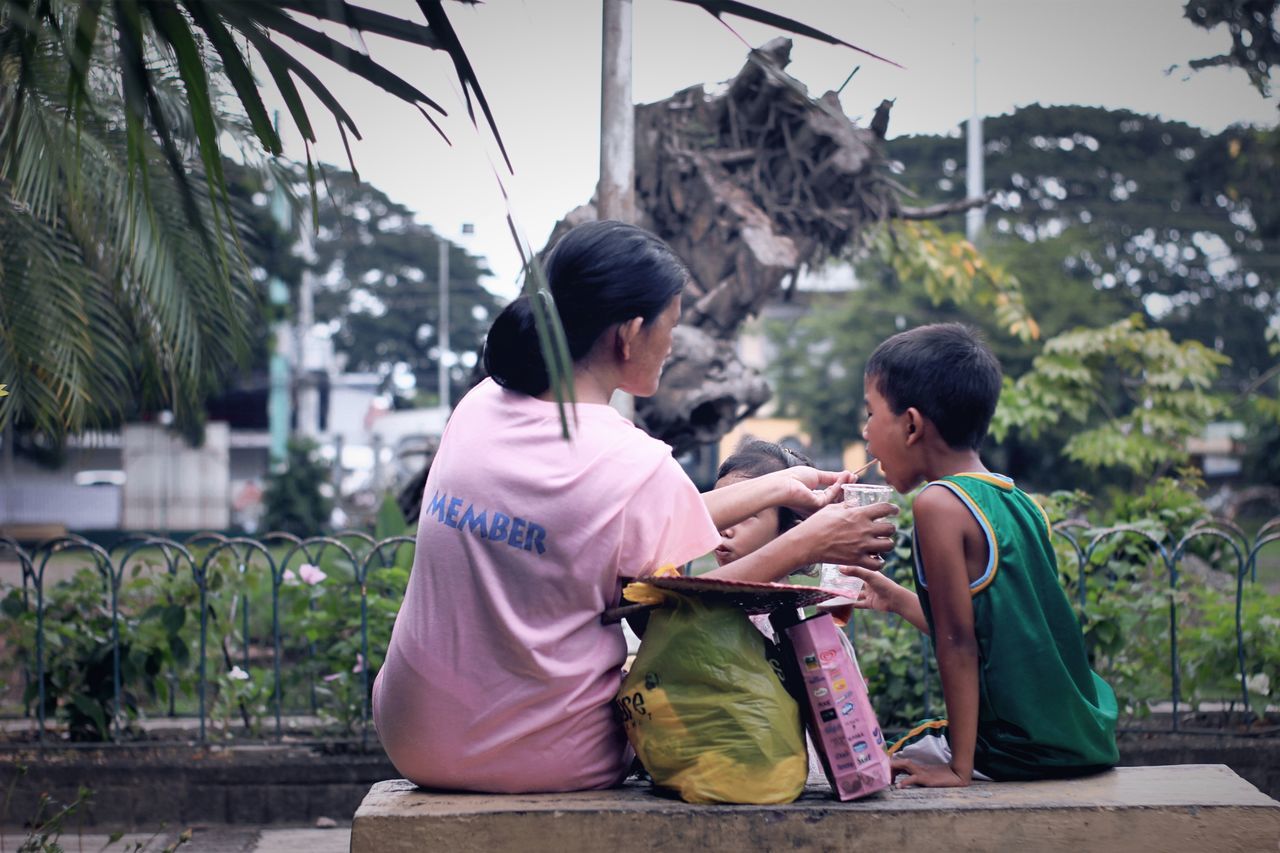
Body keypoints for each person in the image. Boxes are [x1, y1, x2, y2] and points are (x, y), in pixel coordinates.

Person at [372, 220, 897, 794]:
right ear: (630, 333)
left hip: (409, 735)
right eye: (671, 327)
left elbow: (616, 512)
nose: (672, 345)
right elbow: (686, 617)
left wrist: (783, 486)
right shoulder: (631, 461)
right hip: (536, 755)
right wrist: (810, 541)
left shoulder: (480, 405)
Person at [842, 323, 1118, 787]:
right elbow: (993, 636)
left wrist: (958, 768)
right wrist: (895, 598)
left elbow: (958, 644)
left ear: (911, 425)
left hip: (1020, 748)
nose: (866, 433)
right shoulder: (1018, 501)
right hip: (1078, 734)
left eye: (870, 415)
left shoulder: (939, 504)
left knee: (875, 764)